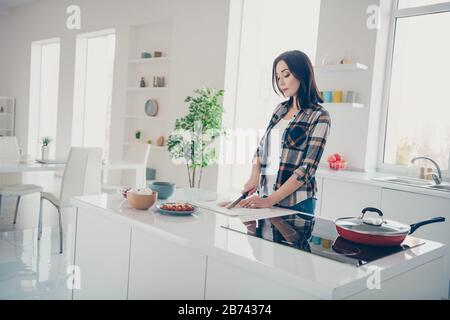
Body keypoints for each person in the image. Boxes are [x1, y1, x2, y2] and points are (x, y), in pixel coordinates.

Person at [237, 50, 331, 215]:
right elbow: (262, 148)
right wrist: (254, 176)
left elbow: (307, 169)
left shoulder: (319, 116)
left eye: (286, 75)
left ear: (302, 74)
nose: (281, 82)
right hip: (265, 197)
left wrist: (269, 201)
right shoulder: (280, 110)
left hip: (296, 203)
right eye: (278, 77)